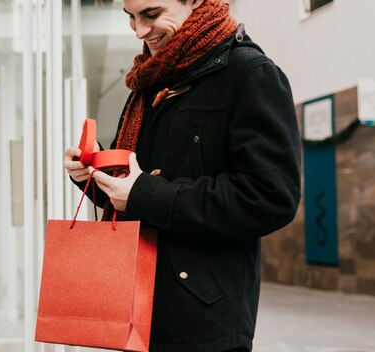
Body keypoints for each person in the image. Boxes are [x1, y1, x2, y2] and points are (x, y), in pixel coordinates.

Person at [64, 0, 301, 351]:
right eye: (130, 17)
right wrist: (94, 172)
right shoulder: (150, 81)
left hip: (201, 324)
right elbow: (132, 184)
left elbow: (270, 196)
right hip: (134, 309)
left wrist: (144, 193)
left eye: (152, 14)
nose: (139, 31)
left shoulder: (250, 73)